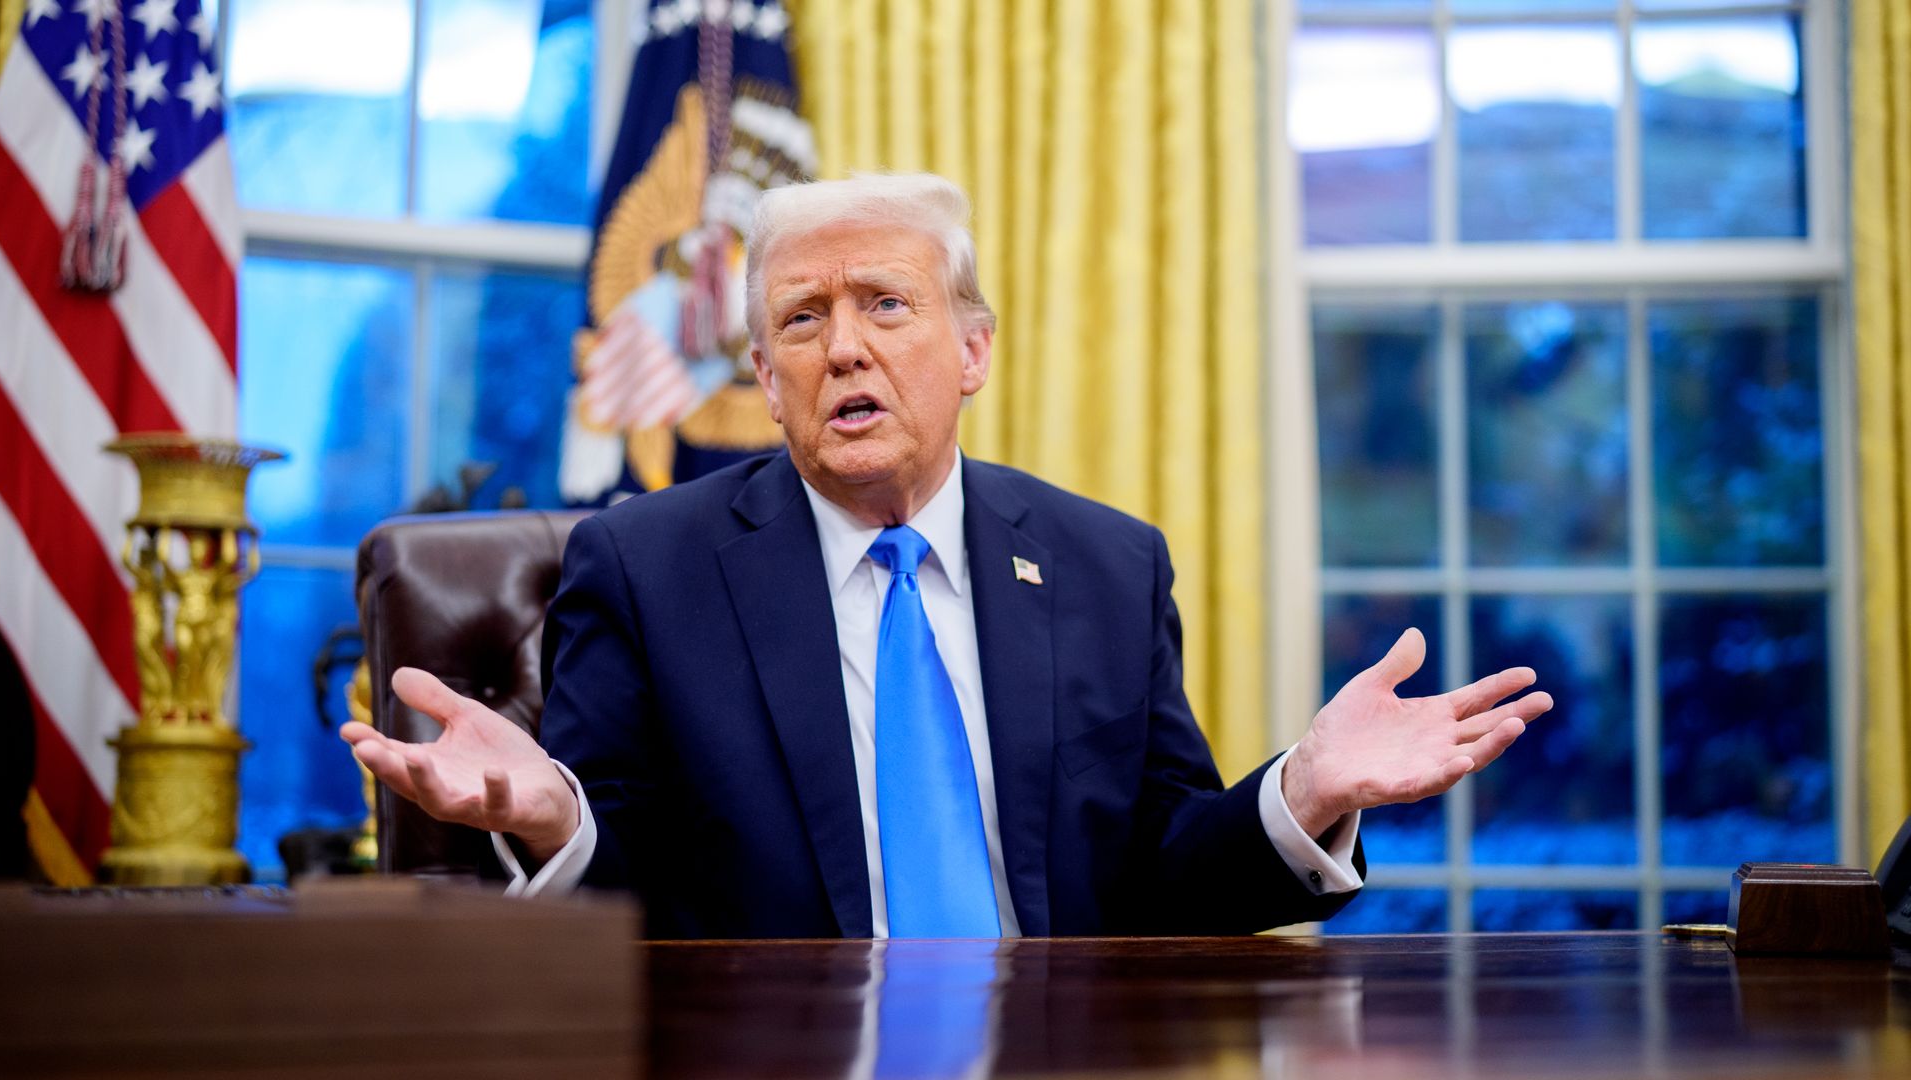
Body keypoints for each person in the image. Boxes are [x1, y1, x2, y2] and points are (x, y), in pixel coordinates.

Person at [342, 173, 1552, 938]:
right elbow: (629, 889)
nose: (843, 349)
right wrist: (554, 817)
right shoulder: (647, 567)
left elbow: (1161, 878)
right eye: (802, 320)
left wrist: (1306, 792)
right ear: (764, 379)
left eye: (885, 303)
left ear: (972, 352)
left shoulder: (1107, 567)